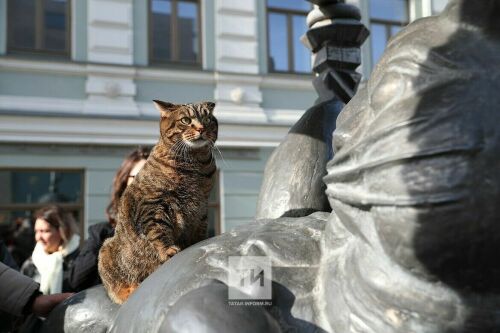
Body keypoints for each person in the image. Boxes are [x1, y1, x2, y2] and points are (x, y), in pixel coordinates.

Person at [69, 146, 151, 291]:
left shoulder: (176, 233)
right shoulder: (102, 233)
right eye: (139, 175)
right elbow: (76, 281)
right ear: (125, 182)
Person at [20, 205, 80, 294]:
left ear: (62, 231)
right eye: (36, 231)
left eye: (45, 231)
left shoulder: (79, 262)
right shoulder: (30, 265)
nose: (38, 237)